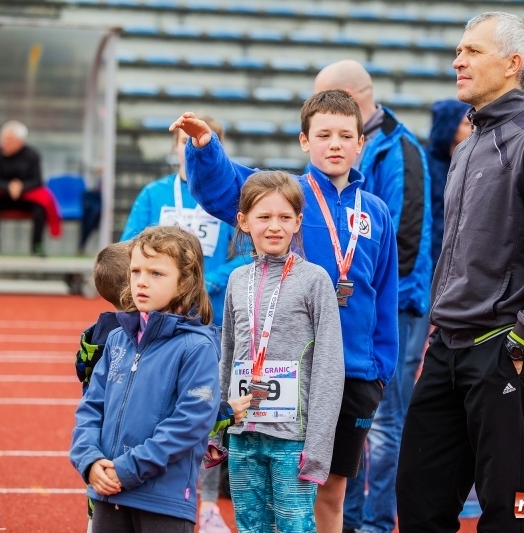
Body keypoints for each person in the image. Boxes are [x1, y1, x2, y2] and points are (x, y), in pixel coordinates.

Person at [172, 88, 399, 533]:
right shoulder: (286, 196)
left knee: (330, 492)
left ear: (361, 143)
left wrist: (380, 368)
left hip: (354, 373)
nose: (335, 144)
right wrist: (204, 146)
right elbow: (224, 187)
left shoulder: (375, 213)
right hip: (284, 375)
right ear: (304, 140)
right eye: (324, 135)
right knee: (273, 490)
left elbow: (385, 293)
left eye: (345, 135)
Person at [395, 12, 524, 532]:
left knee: (511, 511)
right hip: (449, 346)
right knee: (419, 500)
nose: (458, 60)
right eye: (459, 50)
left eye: (473, 51)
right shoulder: (467, 147)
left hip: (505, 347)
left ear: (512, 63)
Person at [313, 59, 431, 533]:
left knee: (382, 424)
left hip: (394, 306)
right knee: (350, 442)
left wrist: (375, 329)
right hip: (360, 311)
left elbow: (404, 236)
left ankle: (378, 523)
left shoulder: (399, 149)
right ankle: (352, 521)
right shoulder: (365, 146)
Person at [120, 115, 247, 532]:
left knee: (208, 410)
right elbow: (128, 248)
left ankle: (207, 503)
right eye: (182, 142)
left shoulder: (229, 200)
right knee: (156, 408)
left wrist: (209, 281)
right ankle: (145, 493)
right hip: (158, 325)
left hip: (211, 319)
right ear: (175, 146)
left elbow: (248, 253)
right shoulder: (154, 194)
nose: (188, 149)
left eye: (200, 143)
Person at [209, 170, 344, 532]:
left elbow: (330, 366)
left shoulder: (314, 280)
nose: (274, 226)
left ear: (298, 222)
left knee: (294, 525)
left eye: (285, 217)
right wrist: (217, 429)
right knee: (250, 526)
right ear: (243, 221)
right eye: (264, 217)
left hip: (292, 439)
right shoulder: (237, 279)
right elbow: (228, 353)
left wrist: (317, 446)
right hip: (243, 433)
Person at [69, 226, 221, 532]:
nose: (141, 281)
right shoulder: (117, 340)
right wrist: (89, 459)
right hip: (107, 492)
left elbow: (190, 422)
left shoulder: (197, 347)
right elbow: (91, 407)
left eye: (156, 273)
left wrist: (127, 469)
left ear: (184, 281)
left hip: (162, 501)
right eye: (136, 271)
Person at [399, 99, 471, 409]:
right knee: (411, 352)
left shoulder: (474, 162)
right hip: (427, 268)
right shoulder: (426, 166)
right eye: (465, 123)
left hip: (461, 271)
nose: (471, 128)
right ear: (449, 127)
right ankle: (400, 416)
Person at [73, 241, 130, 531]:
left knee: (98, 513)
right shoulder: (129, 338)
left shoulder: (95, 333)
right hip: (125, 448)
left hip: (99, 447)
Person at [0, 120, 51, 257]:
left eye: (9, 140)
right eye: (3, 139)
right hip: (3, 197)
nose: (4, 143)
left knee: (41, 206)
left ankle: (37, 246)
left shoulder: (32, 155)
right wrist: (8, 187)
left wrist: (21, 187)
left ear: (20, 141)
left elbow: (37, 180)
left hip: (26, 198)